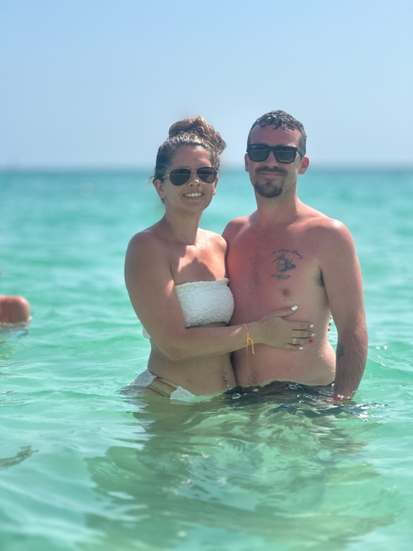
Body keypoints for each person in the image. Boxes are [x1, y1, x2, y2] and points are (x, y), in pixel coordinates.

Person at [124, 117, 314, 400]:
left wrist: (308, 309)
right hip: (170, 399)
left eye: (205, 173)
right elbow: (174, 345)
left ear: (215, 183)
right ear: (160, 187)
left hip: (225, 402)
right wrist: (260, 333)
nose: (194, 181)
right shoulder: (147, 247)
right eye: (181, 174)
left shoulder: (219, 244)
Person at [223, 110, 368, 401]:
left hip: (305, 400)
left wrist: (340, 404)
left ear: (302, 164)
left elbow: (352, 330)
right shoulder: (233, 233)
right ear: (247, 161)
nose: (271, 161)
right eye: (260, 151)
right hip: (240, 401)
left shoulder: (328, 235)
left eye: (285, 153)